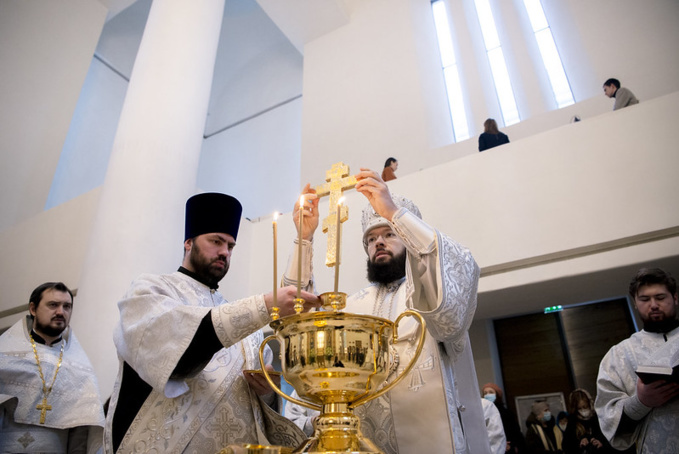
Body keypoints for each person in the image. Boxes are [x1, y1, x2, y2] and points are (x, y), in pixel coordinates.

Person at [284, 169, 488, 453]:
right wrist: (303, 239)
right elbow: (297, 319)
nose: (378, 242)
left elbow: (455, 282)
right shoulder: (351, 307)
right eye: (370, 239)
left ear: (408, 238)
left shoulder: (428, 295)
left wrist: (393, 212)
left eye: (389, 233)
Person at [104, 193, 321, 454]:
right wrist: (265, 306)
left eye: (230, 246)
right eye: (216, 241)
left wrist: (266, 393)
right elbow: (178, 357)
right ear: (188, 242)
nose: (224, 252)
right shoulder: (151, 291)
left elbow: (261, 413)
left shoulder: (247, 334)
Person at [0, 282, 105, 453]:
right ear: (33, 309)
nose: (60, 312)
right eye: (53, 305)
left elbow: (82, 432)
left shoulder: (81, 368)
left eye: (67, 307)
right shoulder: (5, 354)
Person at [595, 268, 679, 453]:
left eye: (660, 297)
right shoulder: (619, 355)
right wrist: (642, 402)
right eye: (645, 299)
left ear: (675, 297)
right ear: (635, 302)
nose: (654, 304)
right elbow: (609, 417)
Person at [482, 382, 527, 453]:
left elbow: (516, 433)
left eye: (491, 392)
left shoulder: (506, 413)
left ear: (497, 394)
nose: (487, 395)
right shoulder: (482, 414)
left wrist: (511, 444)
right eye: (485, 393)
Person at [563, 389, 610, 454]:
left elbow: (610, 437)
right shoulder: (572, 422)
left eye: (585, 407)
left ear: (590, 404)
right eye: (579, 408)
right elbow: (566, 446)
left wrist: (600, 442)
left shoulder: (598, 418)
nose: (583, 410)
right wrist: (580, 443)